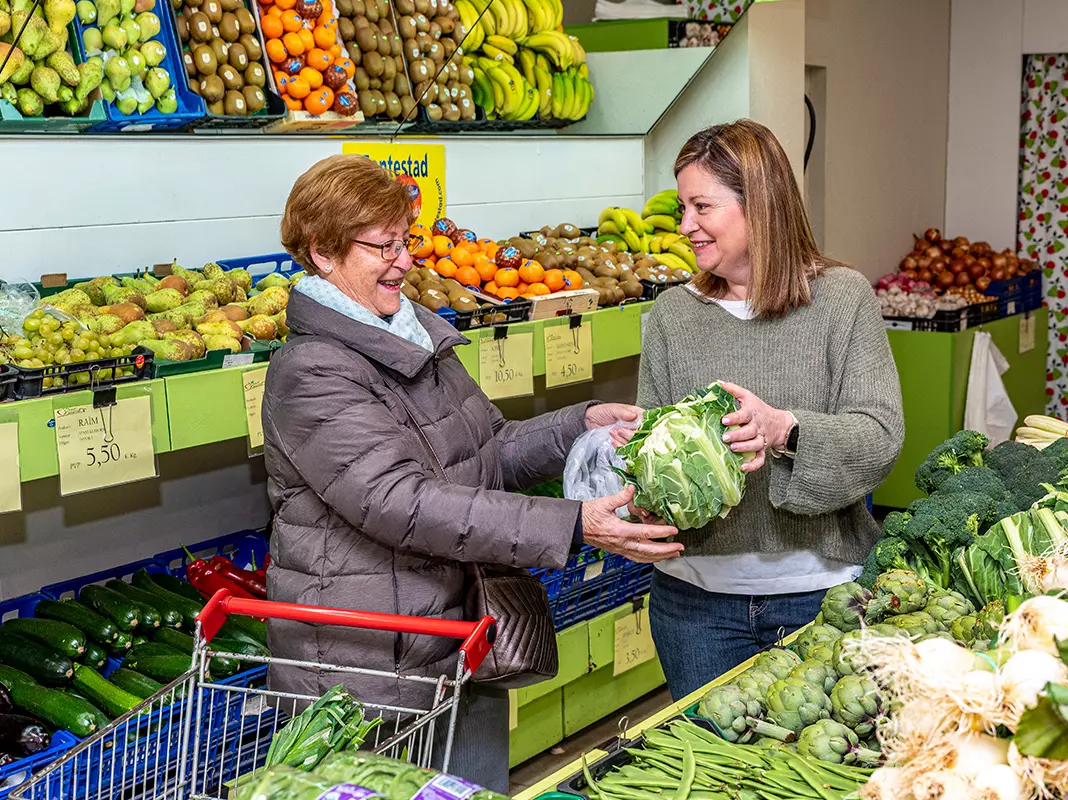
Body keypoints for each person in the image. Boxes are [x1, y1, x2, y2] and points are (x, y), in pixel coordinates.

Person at [260, 154, 680, 792]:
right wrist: (571, 525)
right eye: (384, 246)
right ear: (322, 252)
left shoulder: (414, 338)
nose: (404, 261)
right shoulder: (311, 372)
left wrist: (580, 424)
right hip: (366, 670)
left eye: (407, 241)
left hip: (460, 640)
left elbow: (490, 451)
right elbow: (400, 502)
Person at [634, 120, 904, 700]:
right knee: (710, 780)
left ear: (758, 204)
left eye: (702, 206)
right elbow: (647, 447)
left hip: (821, 597)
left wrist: (785, 429)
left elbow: (880, 436)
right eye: (683, 206)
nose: (685, 226)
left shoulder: (842, 299)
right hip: (694, 605)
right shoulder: (672, 315)